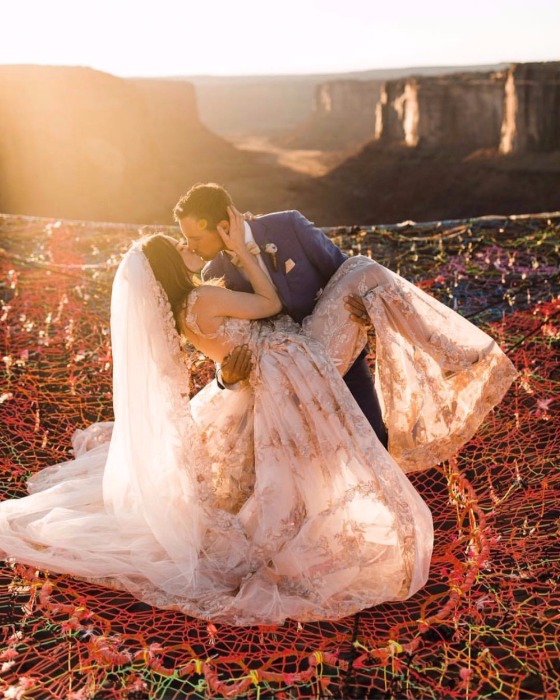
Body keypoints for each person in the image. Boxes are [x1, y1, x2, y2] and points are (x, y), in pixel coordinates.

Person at [0, 209, 517, 626]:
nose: (190, 250)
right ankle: (460, 357)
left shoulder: (187, 312)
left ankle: (453, 358)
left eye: (191, 239)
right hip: (294, 363)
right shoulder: (206, 290)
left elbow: (232, 353)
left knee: (359, 274)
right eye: (180, 246)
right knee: (365, 273)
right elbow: (268, 305)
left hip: (285, 364)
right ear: (168, 267)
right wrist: (246, 256)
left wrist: (234, 369)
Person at [173, 182, 389, 448]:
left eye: (196, 238)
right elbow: (229, 339)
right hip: (288, 390)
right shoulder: (212, 274)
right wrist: (226, 378)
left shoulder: (289, 226)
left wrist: (368, 309)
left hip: (342, 362)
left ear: (223, 226)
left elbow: (343, 271)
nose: (190, 246)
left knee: (374, 443)